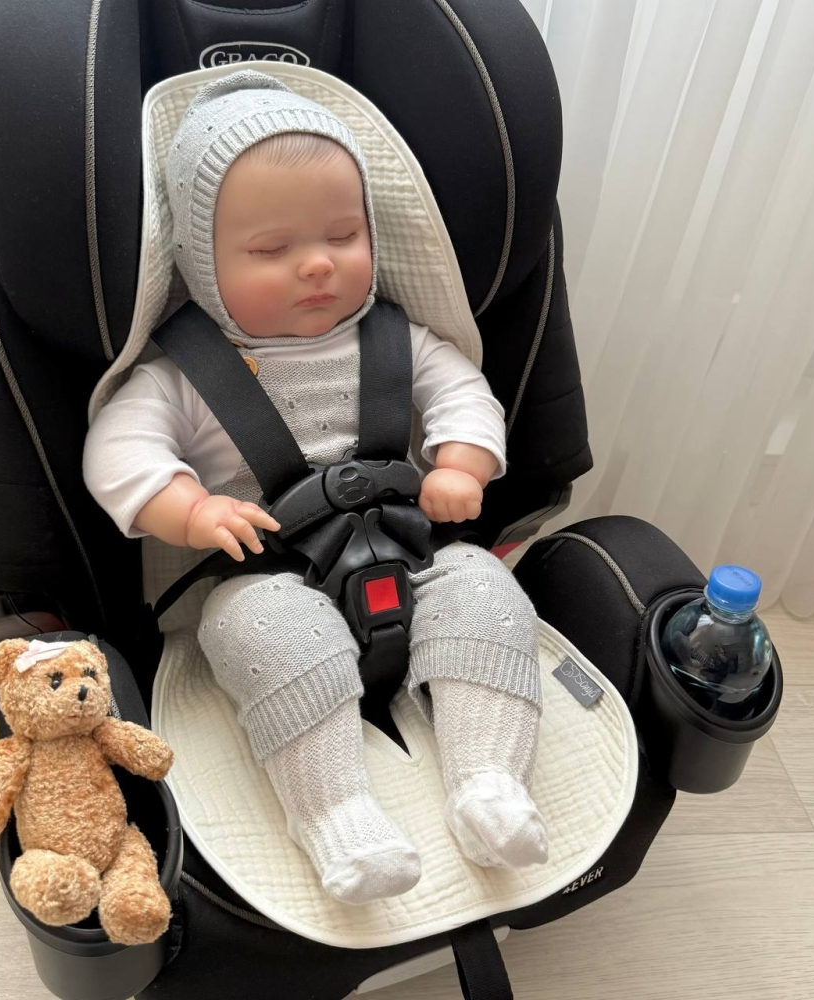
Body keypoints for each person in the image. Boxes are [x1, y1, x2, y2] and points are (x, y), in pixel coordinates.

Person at [84, 71, 547, 905]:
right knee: (262, 628)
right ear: (201, 262)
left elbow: (464, 393)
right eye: (271, 251)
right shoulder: (184, 374)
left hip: (409, 555)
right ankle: (336, 816)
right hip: (270, 576)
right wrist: (189, 509)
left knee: (484, 586)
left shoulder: (398, 339)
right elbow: (117, 449)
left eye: (343, 233)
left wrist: (460, 464)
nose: (318, 264)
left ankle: (490, 782)